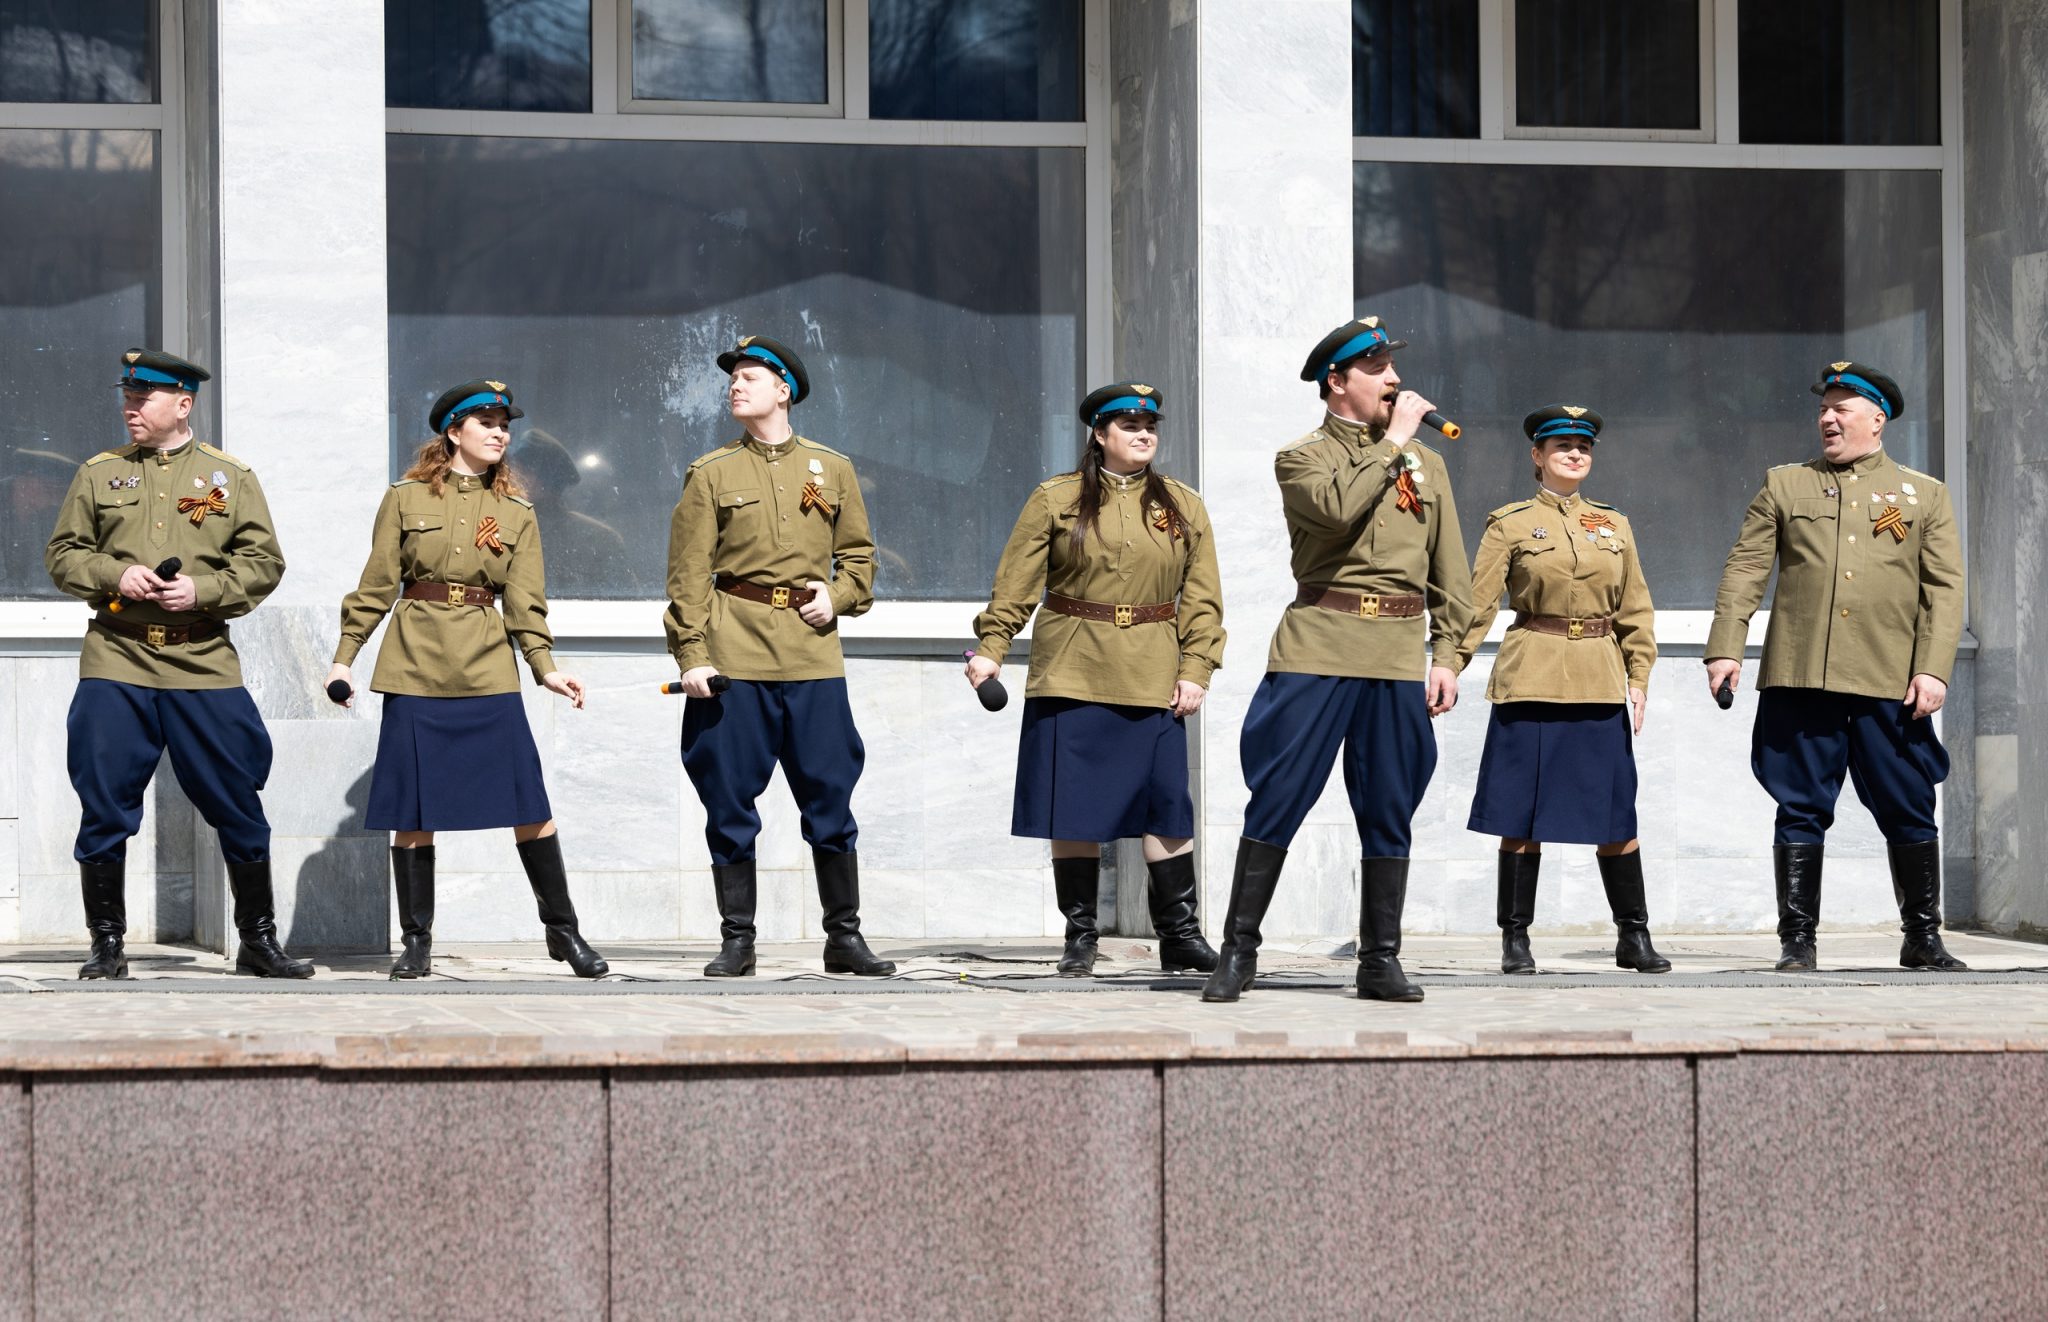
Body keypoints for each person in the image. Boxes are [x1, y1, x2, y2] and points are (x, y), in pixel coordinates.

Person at [1202, 317, 1475, 1004]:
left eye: (1393, 367)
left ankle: (1379, 960)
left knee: (1391, 805)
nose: (1394, 380)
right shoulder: (1303, 457)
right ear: (1336, 381)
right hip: (1320, 643)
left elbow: (1451, 571)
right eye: (1377, 369)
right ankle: (1238, 953)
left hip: (1396, 655)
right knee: (1280, 794)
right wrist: (1393, 444)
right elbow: (1336, 509)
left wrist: (1448, 654)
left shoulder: (1427, 465)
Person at [44, 348, 311, 980]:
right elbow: (63, 555)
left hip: (202, 660)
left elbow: (264, 563)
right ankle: (107, 945)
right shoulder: (99, 474)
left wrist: (203, 590)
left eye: (145, 398)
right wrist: (115, 574)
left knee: (237, 800)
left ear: (183, 404)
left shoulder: (230, 477)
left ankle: (258, 942)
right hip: (117, 657)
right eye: (128, 396)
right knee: (103, 803)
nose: (130, 407)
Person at [329, 380, 608, 980]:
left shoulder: (518, 513)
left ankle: (564, 932)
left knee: (529, 804)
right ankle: (417, 944)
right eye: (486, 422)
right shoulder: (403, 499)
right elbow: (375, 586)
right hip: (416, 666)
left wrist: (546, 669)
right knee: (413, 812)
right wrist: (344, 658)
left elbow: (526, 604)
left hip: (487, 668)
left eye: (504, 424)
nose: (499, 432)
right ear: (453, 432)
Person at [1707, 362, 1967, 973]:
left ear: (1877, 420)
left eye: (1842, 408)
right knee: (1799, 804)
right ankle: (1797, 943)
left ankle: (1922, 938)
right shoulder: (1785, 485)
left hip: (1890, 677)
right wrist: (1725, 646)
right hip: (1802, 674)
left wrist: (1933, 669)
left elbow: (1944, 589)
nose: (1828, 417)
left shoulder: (1923, 495)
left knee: (1908, 802)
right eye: (1824, 408)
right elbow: (1746, 569)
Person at [968, 382, 1225, 976]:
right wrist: (991, 649)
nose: (1144, 434)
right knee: (1074, 809)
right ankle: (1080, 935)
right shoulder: (1056, 498)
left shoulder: (1183, 505)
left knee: (1167, 808)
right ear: (1100, 434)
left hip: (1153, 672)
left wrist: (1196, 668)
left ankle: (1181, 935)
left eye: (1150, 426)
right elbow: (1015, 586)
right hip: (1073, 669)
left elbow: (1203, 599)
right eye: (1129, 425)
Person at [663, 335, 894, 978]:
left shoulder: (833, 469)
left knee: (830, 798)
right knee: (729, 801)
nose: (736, 386)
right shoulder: (711, 473)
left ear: (784, 389)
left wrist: (837, 597)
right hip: (733, 656)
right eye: (732, 378)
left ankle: (844, 938)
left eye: (750, 376)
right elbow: (688, 575)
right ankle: (738, 941)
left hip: (812, 658)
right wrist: (692, 655)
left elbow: (860, 558)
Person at [1455, 405, 1670, 976]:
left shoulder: (1614, 525)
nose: (1575, 454)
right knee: (1520, 815)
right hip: (1532, 679)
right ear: (1537, 455)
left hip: (1599, 681)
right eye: (1562, 447)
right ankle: (1516, 940)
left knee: (1616, 815)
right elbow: (1477, 604)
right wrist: (1449, 663)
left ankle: (1634, 936)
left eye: (1584, 447)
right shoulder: (1510, 523)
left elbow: (1635, 608)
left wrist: (1639, 677)